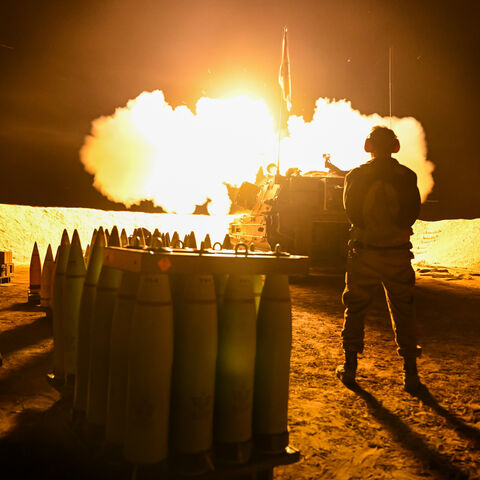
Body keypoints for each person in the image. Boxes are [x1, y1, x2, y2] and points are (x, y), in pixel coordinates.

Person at [336, 126, 423, 392]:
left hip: (365, 252)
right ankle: (410, 375)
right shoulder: (407, 176)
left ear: (368, 146)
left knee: (356, 308)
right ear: (395, 146)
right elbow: (411, 214)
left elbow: (352, 213)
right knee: (403, 310)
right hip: (397, 253)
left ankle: (350, 369)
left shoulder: (357, 176)